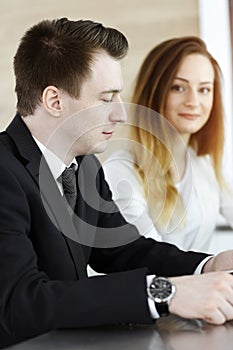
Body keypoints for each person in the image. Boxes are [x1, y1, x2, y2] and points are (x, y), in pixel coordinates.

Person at [1, 19, 233, 349]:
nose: (121, 114)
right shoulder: (4, 172)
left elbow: (123, 250)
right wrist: (164, 293)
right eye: (106, 98)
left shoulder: (83, 166)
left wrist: (208, 265)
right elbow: (22, 302)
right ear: (54, 100)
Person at [103, 36, 233, 252]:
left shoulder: (203, 163)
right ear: (154, 93)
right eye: (178, 88)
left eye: (204, 90)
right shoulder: (121, 170)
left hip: (203, 283)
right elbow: (151, 259)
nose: (193, 101)